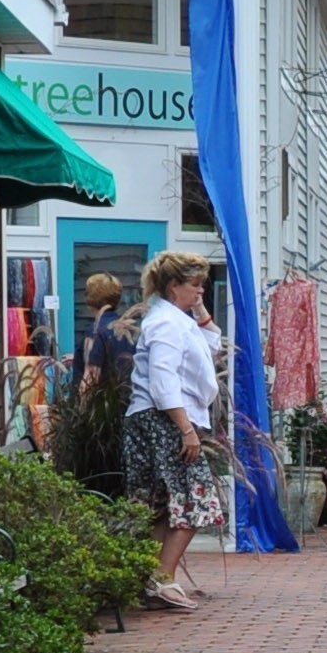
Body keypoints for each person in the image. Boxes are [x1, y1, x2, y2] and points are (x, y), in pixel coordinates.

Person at [125, 247, 226, 610]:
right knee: (193, 502)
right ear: (173, 287)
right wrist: (186, 429)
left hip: (161, 418)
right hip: (164, 419)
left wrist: (199, 310)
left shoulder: (176, 319)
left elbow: (212, 344)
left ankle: (152, 578)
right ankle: (162, 578)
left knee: (164, 504)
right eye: (195, 285)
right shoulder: (166, 323)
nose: (201, 291)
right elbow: (163, 381)